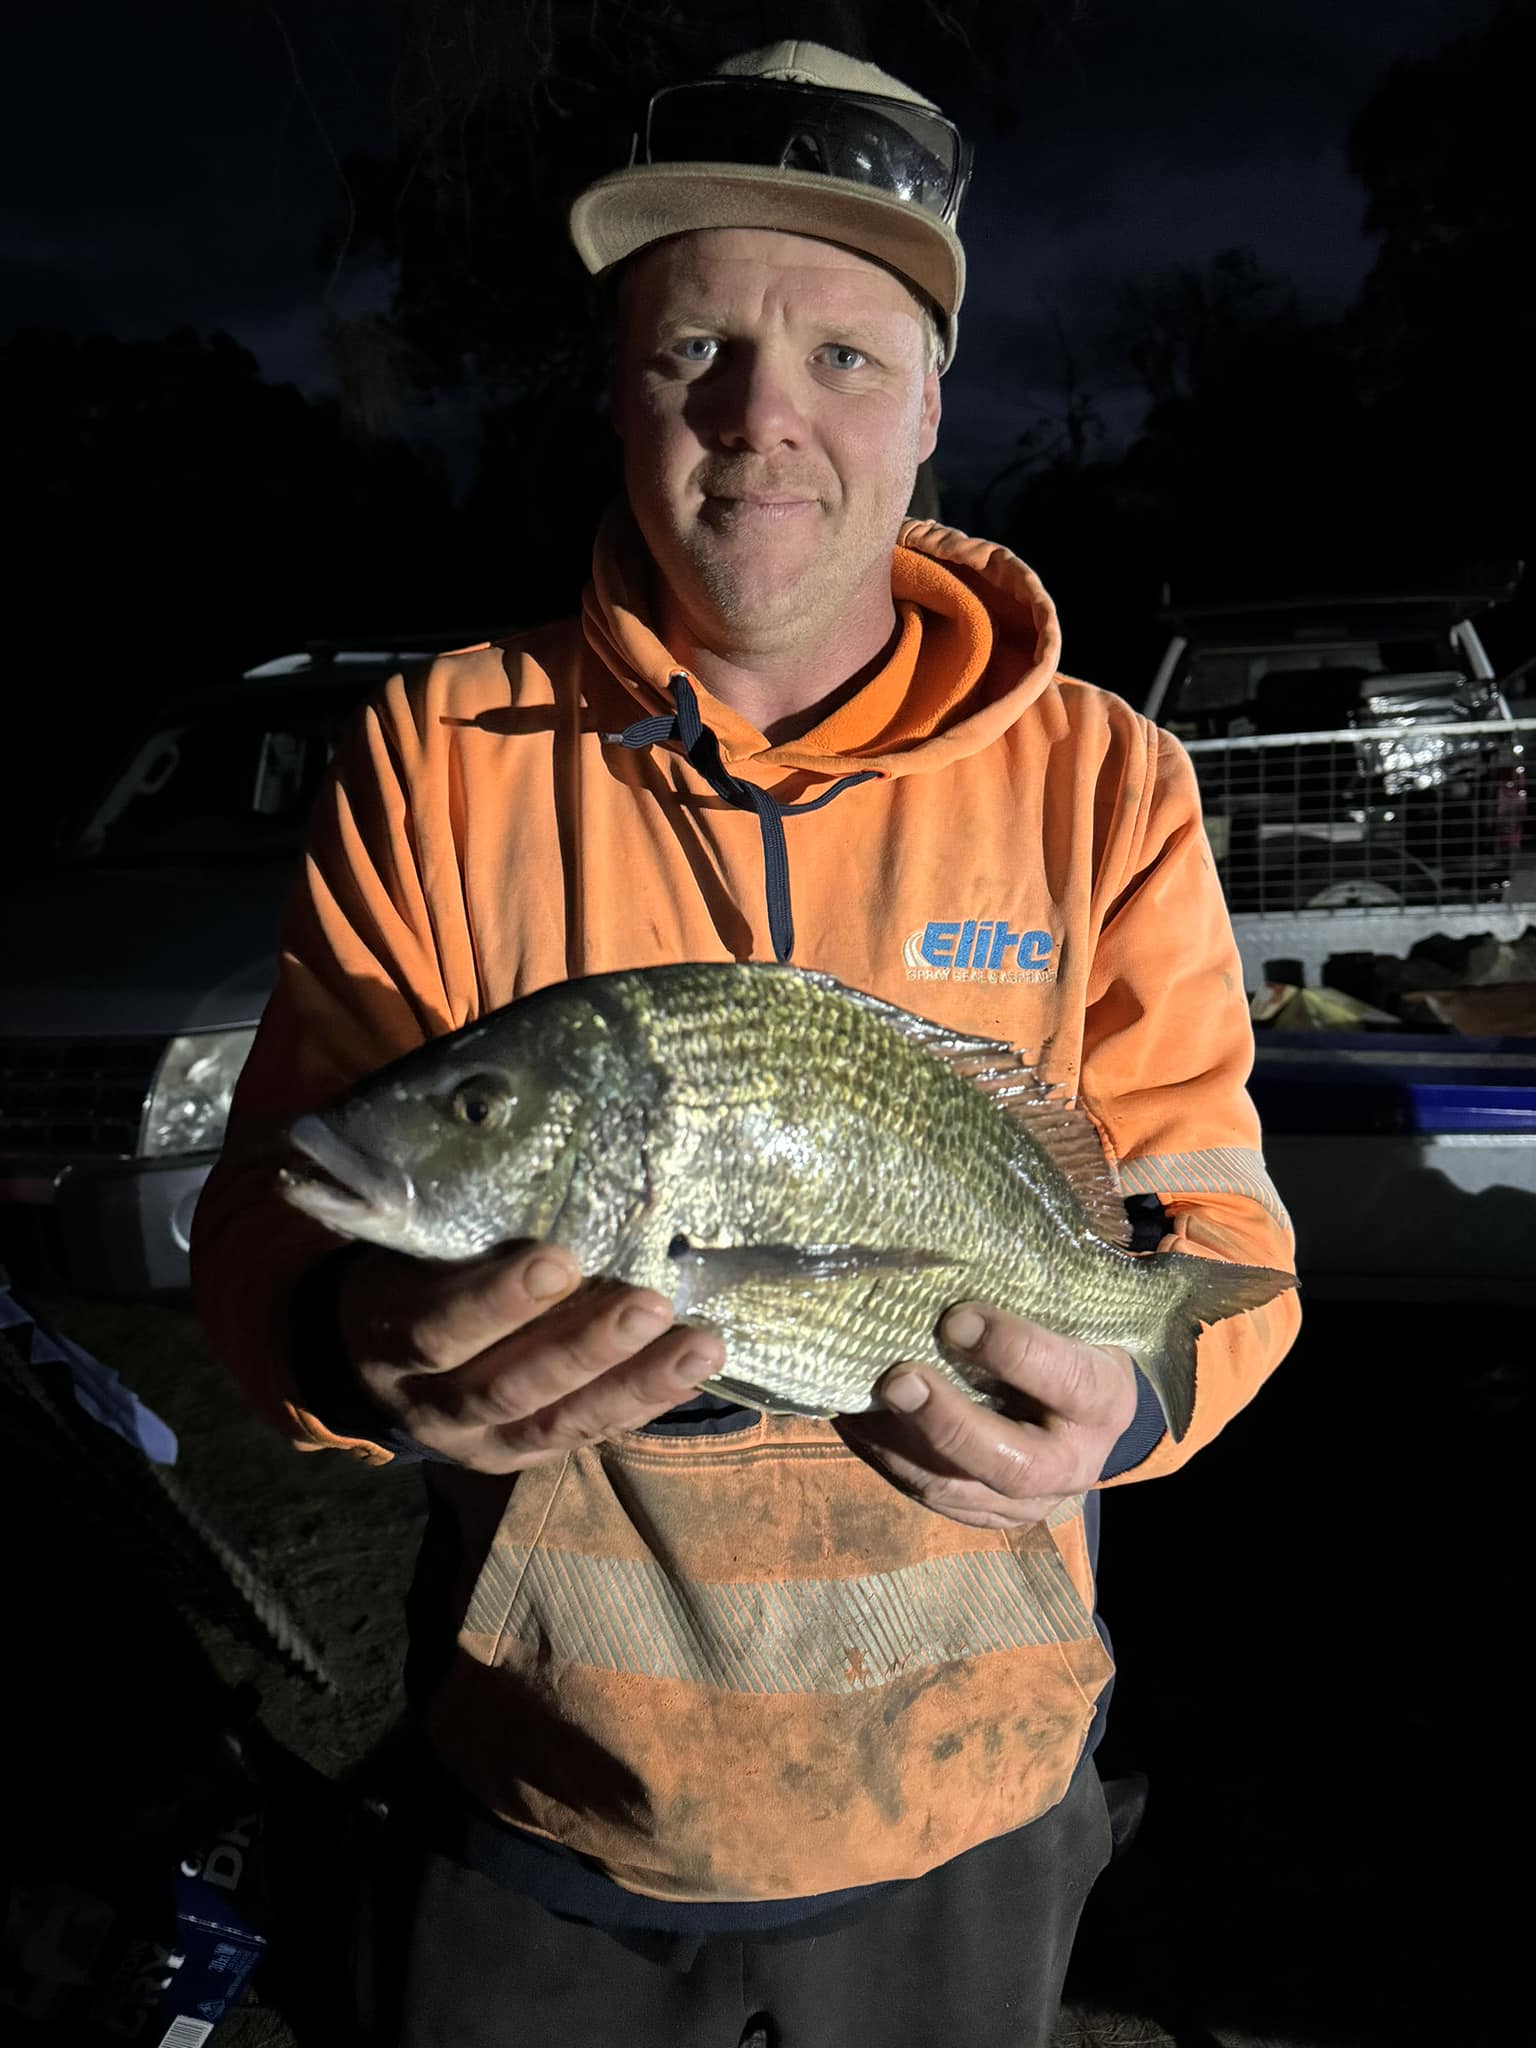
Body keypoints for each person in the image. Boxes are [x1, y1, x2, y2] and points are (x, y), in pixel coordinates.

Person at [191, 38, 1300, 2048]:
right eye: (694, 345)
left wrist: (1119, 1404)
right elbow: (271, 1232)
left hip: (975, 1799)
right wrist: (363, 1337)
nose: (760, 415)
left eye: (845, 359)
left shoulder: (1104, 781)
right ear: (617, 393)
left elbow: (1220, 1247)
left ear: (937, 405)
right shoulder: (442, 756)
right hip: (545, 1809)